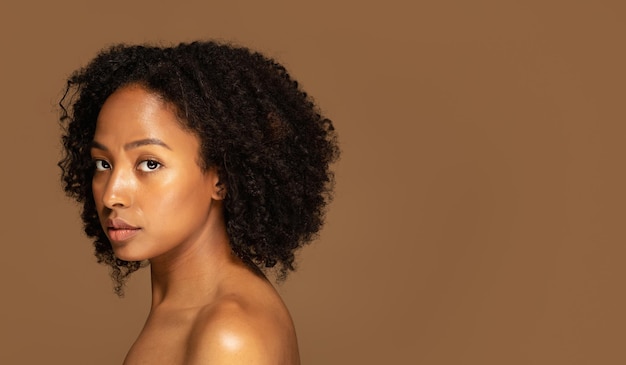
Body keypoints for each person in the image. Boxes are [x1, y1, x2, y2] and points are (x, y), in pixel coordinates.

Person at [58, 41, 339, 364]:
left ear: (219, 179)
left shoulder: (229, 336)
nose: (111, 195)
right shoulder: (186, 310)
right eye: (103, 164)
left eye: (149, 164)